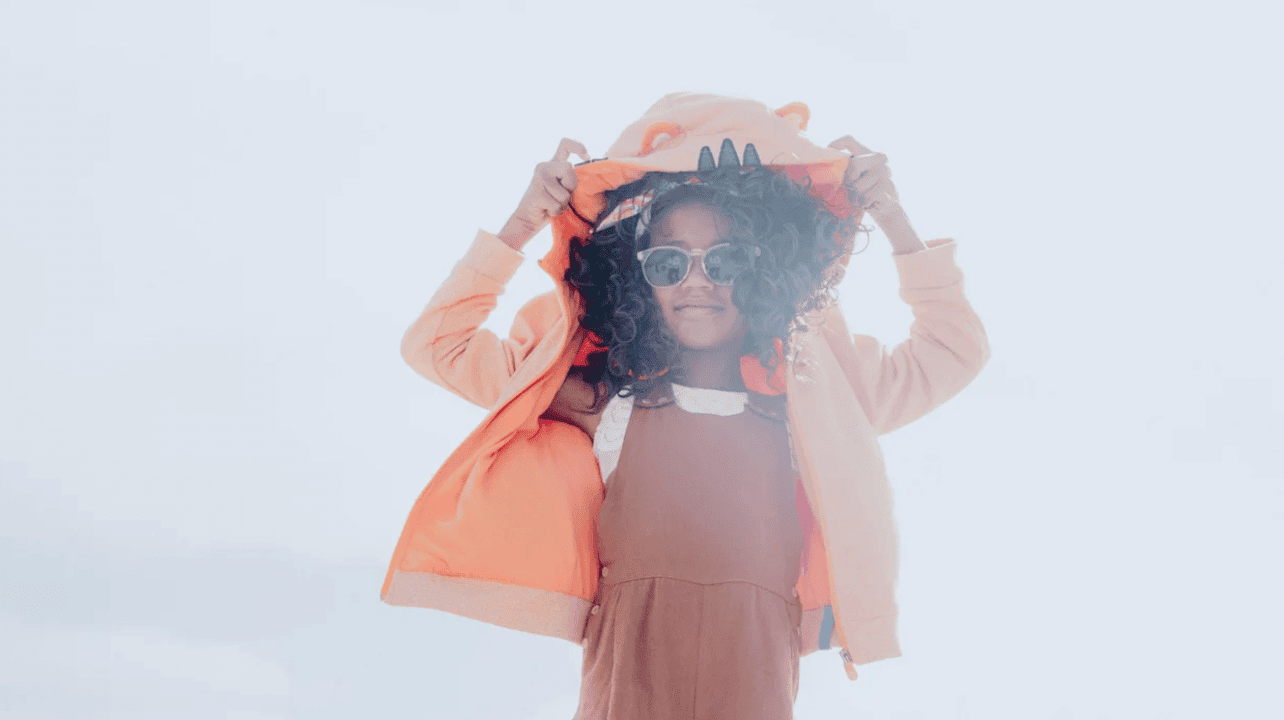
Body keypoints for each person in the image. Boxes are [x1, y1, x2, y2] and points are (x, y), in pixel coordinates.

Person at [383, 93, 991, 719]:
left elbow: (953, 351)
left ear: (764, 270)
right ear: (637, 278)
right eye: (669, 262)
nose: (697, 282)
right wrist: (522, 223)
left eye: (725, 260)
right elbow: (437, 345)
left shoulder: (816, 402)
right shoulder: (601, 399)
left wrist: (893, 218)